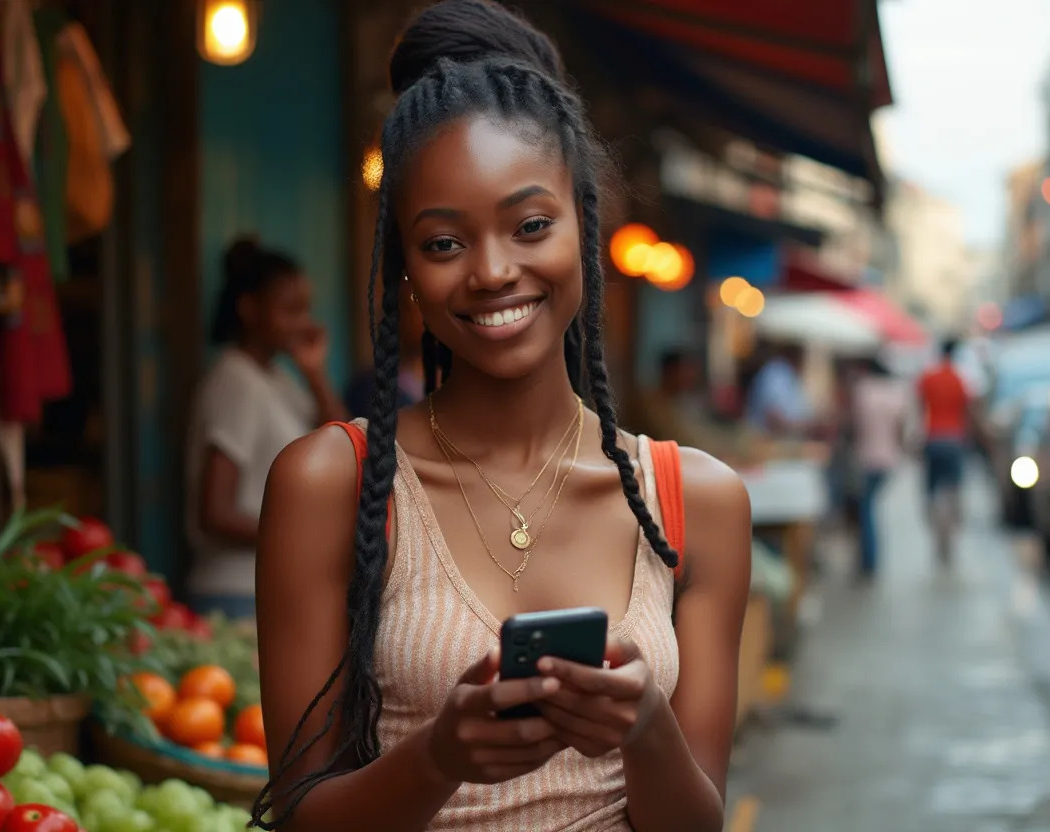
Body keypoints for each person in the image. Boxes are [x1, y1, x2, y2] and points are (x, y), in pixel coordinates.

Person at [250, 3, 752, 830]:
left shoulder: (695, 502)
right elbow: (304, 821)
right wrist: (441, 755)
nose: (491, 271)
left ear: (586, 229)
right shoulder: (330, 484)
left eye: (529, 226)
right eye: (443, 243)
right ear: (403, 266)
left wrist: (646, 730)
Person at [184, 237, 347, 620]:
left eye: (306, 309)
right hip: (234, 593)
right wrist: (302, 537)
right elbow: (216, 512)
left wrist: (314, 373)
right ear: (249, 309)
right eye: (290, 310)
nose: (304, 322)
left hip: (265, 588)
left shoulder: (276, 378)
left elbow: (345, 444)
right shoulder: (235, 381)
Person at [851, 356, 908, 578]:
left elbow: (855, 424)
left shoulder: (863, 390)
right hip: (889, 458)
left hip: (866, 457)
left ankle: (869, 559)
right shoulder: (895, 393)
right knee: (870, 507)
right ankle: (870, 557)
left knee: (867, 508)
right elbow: (900, 428)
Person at [916, 338, 970, 563]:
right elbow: (966, 411)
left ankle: (937, 533)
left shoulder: (928, 378)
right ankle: (948, 534)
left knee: (931, 491)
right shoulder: (960, 380)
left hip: (932, 438)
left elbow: (920, 409)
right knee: (952, 491)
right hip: (954, 440)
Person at [745, 339, 811, 437]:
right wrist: (803, 427)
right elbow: (773, 417)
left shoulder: (791, 375)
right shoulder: (776, 373)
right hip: (766, 439)